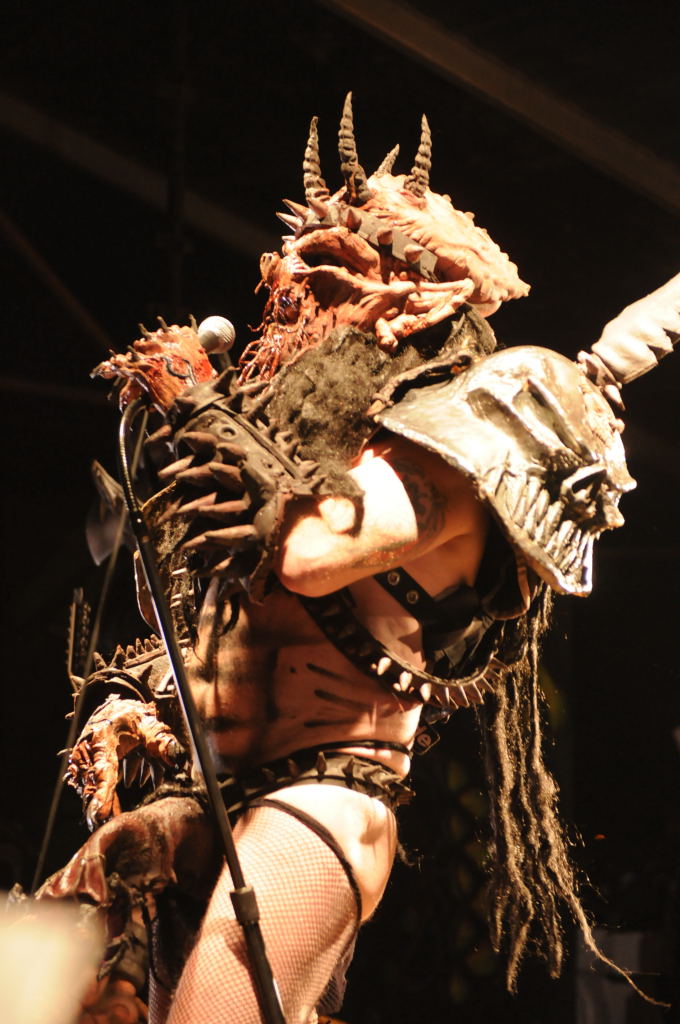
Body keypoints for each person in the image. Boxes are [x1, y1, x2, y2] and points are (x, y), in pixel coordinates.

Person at [36, 95, 679, 1023]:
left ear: (422, 289)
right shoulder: (296, 452)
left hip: (319, 797)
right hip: (203, 790)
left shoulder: (450, 451)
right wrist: (175, 464)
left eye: (347, 255)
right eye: (303, 256)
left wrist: (205, 415)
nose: (303, 276)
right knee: (43, 982)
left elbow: (309, 555)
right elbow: (174, 610)